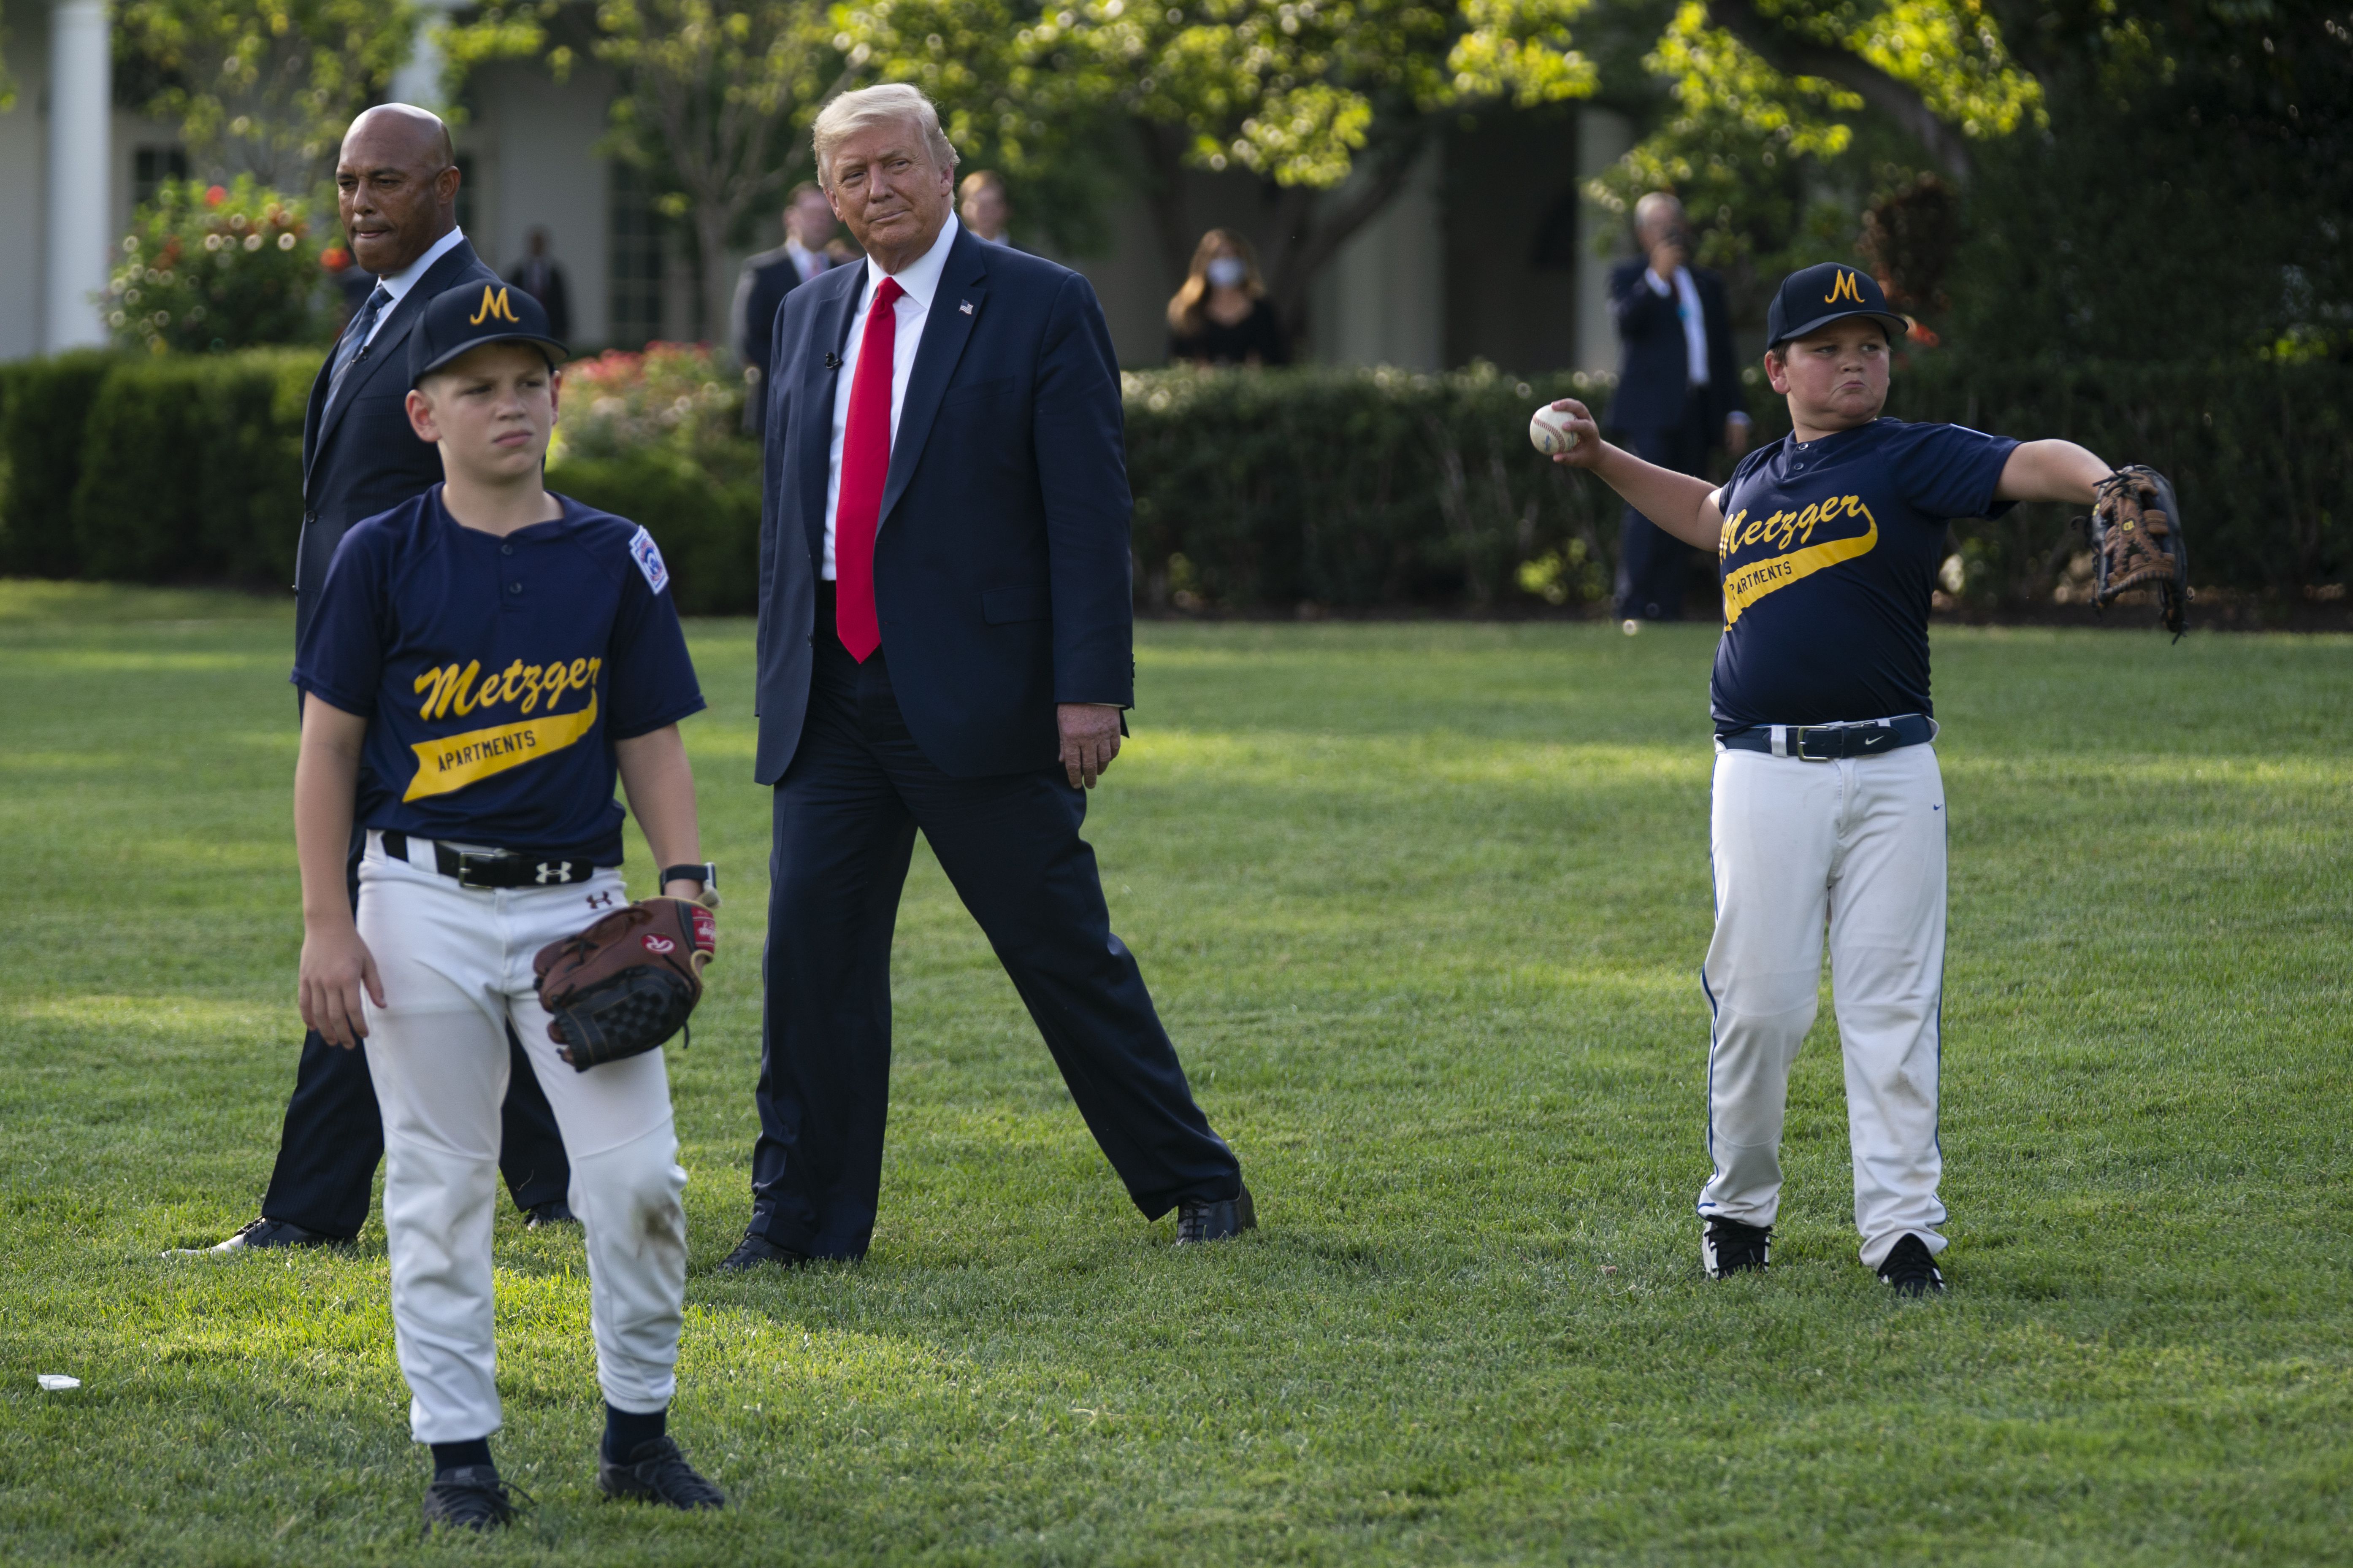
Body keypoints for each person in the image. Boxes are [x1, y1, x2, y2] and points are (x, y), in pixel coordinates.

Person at [724, 82, 1254, 1270]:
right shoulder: (807, 319)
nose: (875, 191)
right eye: (850, 174)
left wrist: (1089, 687)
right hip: (830, 701)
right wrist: (779, 683)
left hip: (982, 698)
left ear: (945, 167)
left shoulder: (1037, 304)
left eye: (895, 165)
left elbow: (1086, 510)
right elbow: (786, 519)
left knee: (1062, 953)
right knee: (810, 969)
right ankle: (798, 1219)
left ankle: (1196, 1180)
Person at [1542, 263, 2122, 1296]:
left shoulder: (1912, 458)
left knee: (1890, 1007)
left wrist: (2106, 485)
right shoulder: (1764, 474)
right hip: (1762, 772)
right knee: (1760, 1005)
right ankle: (1737, 1206)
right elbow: (1704, 511)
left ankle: (1902, 1234)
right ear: (1777, 369)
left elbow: (2031, 460)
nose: (1854, 361)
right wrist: (1597, 458)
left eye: (1870, 344)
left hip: (1895, 770)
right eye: (1827, 346)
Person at [291, 281, 724, 1529]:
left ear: (554, 397)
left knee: (639, 1176)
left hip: (577, 908)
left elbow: (646, 732)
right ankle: (461, 1458)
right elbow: (328, 751)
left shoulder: (613, 551)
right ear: (423, 412)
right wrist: (329, 920)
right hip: (415, 896)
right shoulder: (383, 553)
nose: (508, 405)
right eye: (477, 387)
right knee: (440, 1182)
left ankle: (636, 1435)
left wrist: (683, 879)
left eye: (527, 381)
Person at [192, 104, 575, 1255]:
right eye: (349, 180)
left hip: (425, 690)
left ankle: (310, 1210)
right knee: (440, 933)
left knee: (377, 930)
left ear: (446, 187)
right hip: (360, 675)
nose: (359, 201)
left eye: (387, 182)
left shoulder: (473, 318)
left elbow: (499, 500)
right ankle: (560, 1181)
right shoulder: (382, 311)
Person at [1606, 192, 1750, 624]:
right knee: (1646, 508)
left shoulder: (1707, 284)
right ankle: (1633, 603)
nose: (1669, 233)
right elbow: (1626, 323)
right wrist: (1656, 278)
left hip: (1697, 411)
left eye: (1675, 224)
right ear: (1642, 233)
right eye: (1659, 225)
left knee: (1690, 508)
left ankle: (1667, 604)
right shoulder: (1630, 276)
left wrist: (1735, 412)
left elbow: (1723, 355)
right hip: (1651, 412)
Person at [732, 182, 840, 436]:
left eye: (826, 214)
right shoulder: (763, 272)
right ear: (791, 218)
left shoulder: (846, 272)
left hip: (835, 407)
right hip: (779, 404)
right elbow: (750, 341)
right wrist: (802, 377)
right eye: (813, 214)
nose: (821, 221)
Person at [1167, 230, 1289, 367]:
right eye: (1220, 256)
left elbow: (1280, 362)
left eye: (1233, 255)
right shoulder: (1190, 312)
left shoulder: (1263, 311)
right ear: (1204, 264)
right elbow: (1178, 364)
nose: (1227, 261)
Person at [506, 227, 572, 340]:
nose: (537, 246)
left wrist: (565, 328)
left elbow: (561, 303)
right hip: (523, 326)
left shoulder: (555, 275)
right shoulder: (518, 275)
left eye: (540, 243)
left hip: (551, 328)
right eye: (535, 243)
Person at [958, 169, 1014, 244]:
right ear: (964, 208)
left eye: (993, 203)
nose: (987, 211)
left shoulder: (1025, 255)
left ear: (1005, 208)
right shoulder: (950, 253)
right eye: (979, 203)